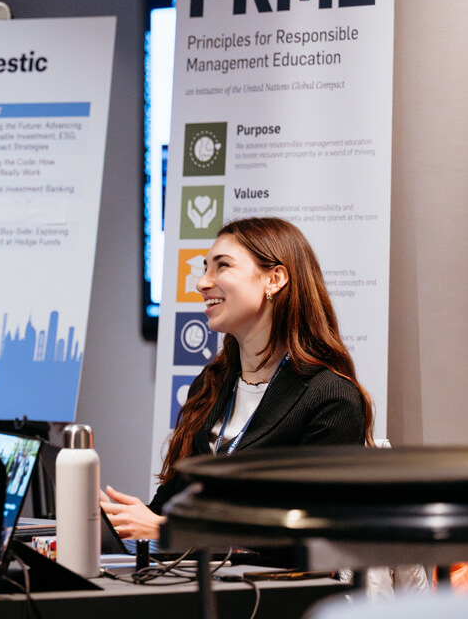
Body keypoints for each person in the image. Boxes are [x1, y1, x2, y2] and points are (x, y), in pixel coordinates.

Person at [102, 216, 372, 542]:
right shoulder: (212, 383)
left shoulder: (331, 397)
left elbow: (307, 535)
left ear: (275, 279)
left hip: (273, 590)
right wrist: (118, 522)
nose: (202, 283)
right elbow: (170, 507)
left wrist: (167, 530)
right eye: (205, 268)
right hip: (192, 580)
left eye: (222, 266)